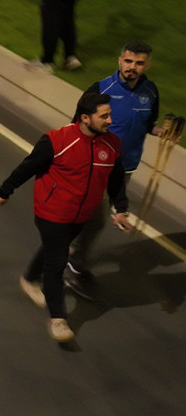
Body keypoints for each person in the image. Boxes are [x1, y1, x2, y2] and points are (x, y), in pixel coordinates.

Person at [0, 91, 131, 343]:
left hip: (82, 215)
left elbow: (116, 179)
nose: (110, 120)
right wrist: (5, 191)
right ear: (85, 118)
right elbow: (28, 166)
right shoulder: (56, 140)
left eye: (110, 115)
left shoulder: (111, 144)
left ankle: (28, 279)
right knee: (56, 263)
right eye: (104, 116)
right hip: (52, 213)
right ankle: (58, 318)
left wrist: (121, 209)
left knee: (53, 248)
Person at [70, 41, 165, 292]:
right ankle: (76, 264)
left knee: (95, 214)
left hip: (127, 166)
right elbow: (76, 126)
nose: (132, 67)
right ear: (120, 61)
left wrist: (159, 131)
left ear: (147, 65)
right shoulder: (101, 89)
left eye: (139, 63)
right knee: (97, 219)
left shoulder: (150, 91)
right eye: (128, 61)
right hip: (98, 166)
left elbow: (148, 122)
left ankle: (71, 246)